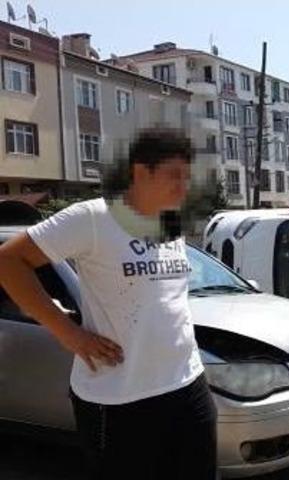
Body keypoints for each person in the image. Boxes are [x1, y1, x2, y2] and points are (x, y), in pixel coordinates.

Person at [0, 130, 217, 479]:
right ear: (140, 172)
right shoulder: (93, 218)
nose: (183, 187)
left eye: (187, 177)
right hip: (118, 399)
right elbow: (8, 262)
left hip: (186, 385)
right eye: (174, 175)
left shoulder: (170, 222)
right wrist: (67, 333)